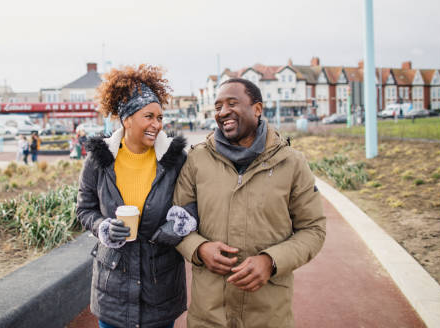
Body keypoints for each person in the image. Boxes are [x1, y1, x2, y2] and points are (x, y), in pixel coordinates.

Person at [173, 78, 326, 328]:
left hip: (268, 315)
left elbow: (314, 229)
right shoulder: (197, 159)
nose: (223, 112)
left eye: (232, 103)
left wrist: (271, 261)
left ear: (257, 109)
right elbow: (176, 221)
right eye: (218, 106)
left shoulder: (292, 163)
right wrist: (199, 249)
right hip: (209, 315)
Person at [76, 64, 195, 328]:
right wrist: (102, 226)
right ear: (127, 119)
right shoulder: (99, 160)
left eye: (160, 117)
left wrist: (180, 221)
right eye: (149, 116)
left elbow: (193, 202)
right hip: (112, 287)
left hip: (161, 284)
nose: (157, 124)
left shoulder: (175, 160)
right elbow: (85, 209)